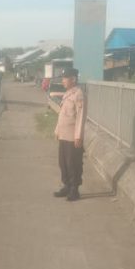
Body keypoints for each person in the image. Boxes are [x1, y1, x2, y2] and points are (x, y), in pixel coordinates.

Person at [49, 68, 86, 201]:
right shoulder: (68, 94)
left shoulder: (79, 94)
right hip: (63, 135)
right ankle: (67, 186)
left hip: (72, 137)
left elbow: (81, 117)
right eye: (63, 78)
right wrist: (57, 131)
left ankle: (74, 189)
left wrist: (78, 136)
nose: (63, 81)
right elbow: (62, 115)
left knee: (73, 164)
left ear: (73, 79)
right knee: (63, 162)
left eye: (65, 78)